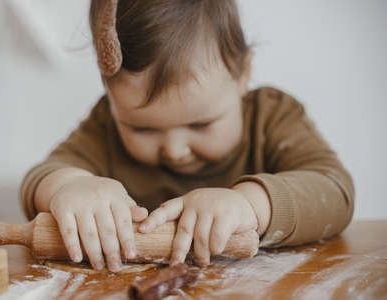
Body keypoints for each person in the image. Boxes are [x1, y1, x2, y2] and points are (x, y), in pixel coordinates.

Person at [21, 0, 354, 273]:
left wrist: (250, 204)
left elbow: (335, 192)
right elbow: (41, 177)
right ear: (111, 95)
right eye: (143, 128)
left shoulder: (272, 117)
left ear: (243, 74)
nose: (175, 149)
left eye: (201, 124)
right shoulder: (105, 125)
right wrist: (70, 187)